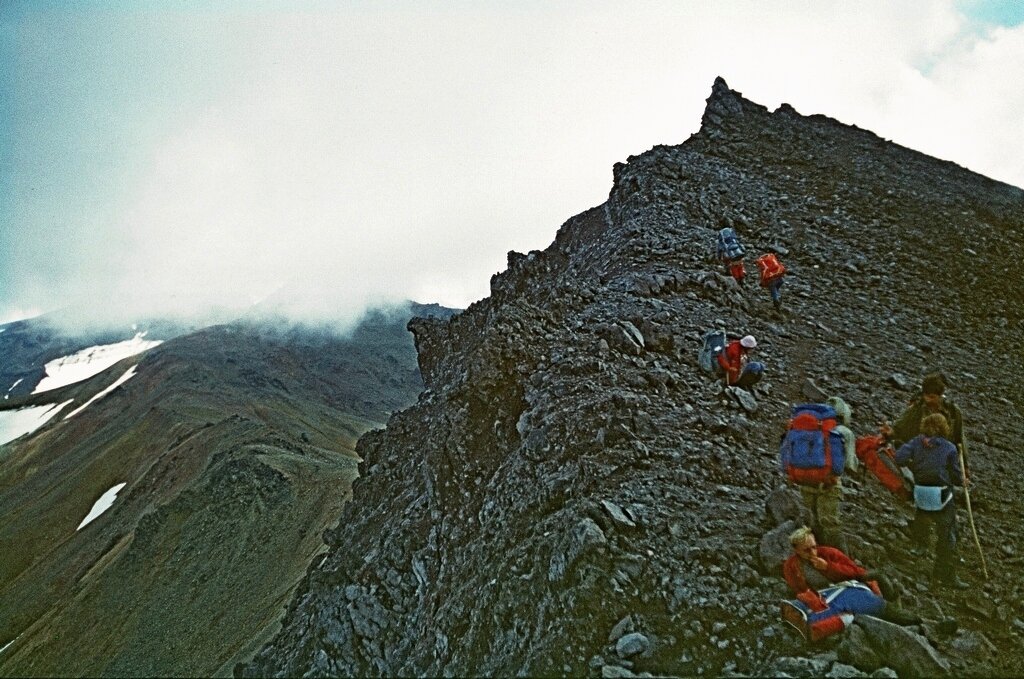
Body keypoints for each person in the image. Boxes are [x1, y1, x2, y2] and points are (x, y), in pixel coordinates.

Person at [784, 526, 919, 625]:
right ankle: (904, 618)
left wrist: (828, 568)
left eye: (814, 547)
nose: (813, 552)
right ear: (796, 550)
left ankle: (899, 610)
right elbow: (799, 590)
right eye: (806, 550)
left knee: (878, 577)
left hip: (848, 584)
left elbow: (853, 571)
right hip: (827, 597)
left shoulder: (828, 553)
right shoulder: (791, 566)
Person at [895, 413, 968, 590]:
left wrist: (916, 464)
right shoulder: (949, 448)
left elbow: (899, 458)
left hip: (921, 493)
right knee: (948, 537)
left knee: (924, 519)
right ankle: (944, 576)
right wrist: (962, 481)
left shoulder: (915, 442)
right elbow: (956, 475)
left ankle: (920, 544)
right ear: (944, 428)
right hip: (941, 496)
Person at [793, 397, 858, 550]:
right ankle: (841, 560)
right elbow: (849, 465)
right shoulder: (844, 432)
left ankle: (813, 553)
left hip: (805, 480)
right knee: (830, 523)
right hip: (829, 483)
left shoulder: (807, 428)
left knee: (810, 520)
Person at [882, 372, 965, 462]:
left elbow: (959, 440)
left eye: (932, 397)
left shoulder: (953, 412)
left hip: (942, 458)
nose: (927, 400)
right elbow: (900, 427)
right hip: (919, 456)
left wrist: (965, 466)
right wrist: (889, 433)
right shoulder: (917, 408)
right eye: (925, 395)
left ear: (941, 396)